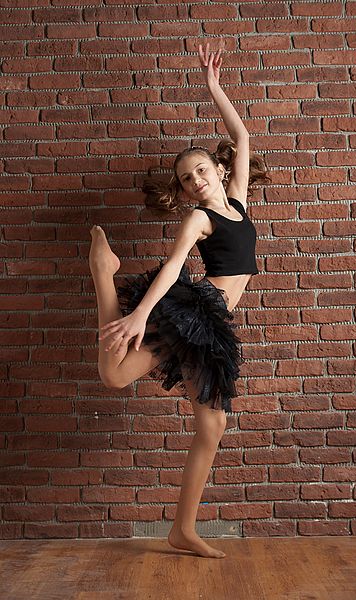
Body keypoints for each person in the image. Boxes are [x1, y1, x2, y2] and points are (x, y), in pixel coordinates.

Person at [88, 43, 271, 559]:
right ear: (187, 190)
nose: (196, 179)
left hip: (216, 322)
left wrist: (214, 87)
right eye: (188, 178)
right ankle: (104, 274)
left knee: (211, 427)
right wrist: (140, 315)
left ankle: (182, 529)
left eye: (201, 169)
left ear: (216, 167)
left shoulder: (235, 198)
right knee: (115, 376)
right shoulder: (199, 219)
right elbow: (173, 267)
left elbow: (242, 135)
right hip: (196, 311)